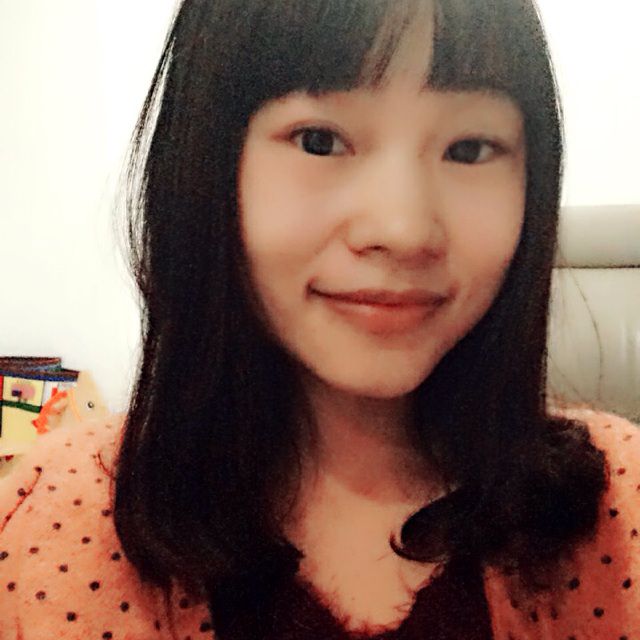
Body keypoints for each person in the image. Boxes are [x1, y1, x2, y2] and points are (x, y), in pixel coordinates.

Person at [1, 0, 639, 638]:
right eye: (320, 141)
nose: (404, 229)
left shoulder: (622, 504)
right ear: (206, 165)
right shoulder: (45, 519)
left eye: (469, 148)